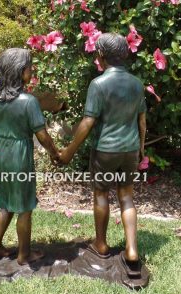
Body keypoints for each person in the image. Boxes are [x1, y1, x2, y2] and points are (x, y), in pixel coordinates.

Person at [60, 33, 147, 275]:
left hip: (105, 151)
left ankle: (101, 244)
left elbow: (88, 121)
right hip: (129, 150)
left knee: (101, 194)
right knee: (127, 197)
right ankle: (132, 249)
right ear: (124, 54)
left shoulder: (98, 84)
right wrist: (141, 148)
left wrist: (68, 151)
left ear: (101, 56)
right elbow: (142, 120)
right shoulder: (137, 83)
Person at [0, 48, 60, 265]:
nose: (32, 69)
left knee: (6, 202)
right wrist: (55, 153)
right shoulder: (28, 101)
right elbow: (43, 136)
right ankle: (24, 254)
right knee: (25, 206)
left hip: (0, 154)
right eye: (29, 66)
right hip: (19, 156)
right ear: (20, 71)